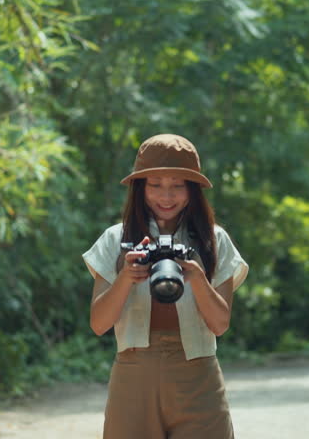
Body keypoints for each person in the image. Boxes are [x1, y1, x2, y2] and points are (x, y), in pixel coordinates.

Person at [82, 134, 249, 439]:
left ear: (192, 189)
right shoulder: (116, 239)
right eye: (155, 184)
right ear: (140, 187)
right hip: (134, 375)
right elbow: (98, 323)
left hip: (198, 374)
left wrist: (197, 277)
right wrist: (126, 277)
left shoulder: (213, 241)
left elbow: (220, 324)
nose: (166, 196)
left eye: (178, 185)